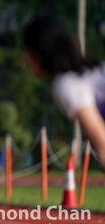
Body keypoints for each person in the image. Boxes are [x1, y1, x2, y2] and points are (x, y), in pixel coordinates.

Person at [23, 14, 105, 168]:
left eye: (26, 53)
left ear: (36, 54)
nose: (25, 61)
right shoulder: (95, 70)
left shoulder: (67, 84)